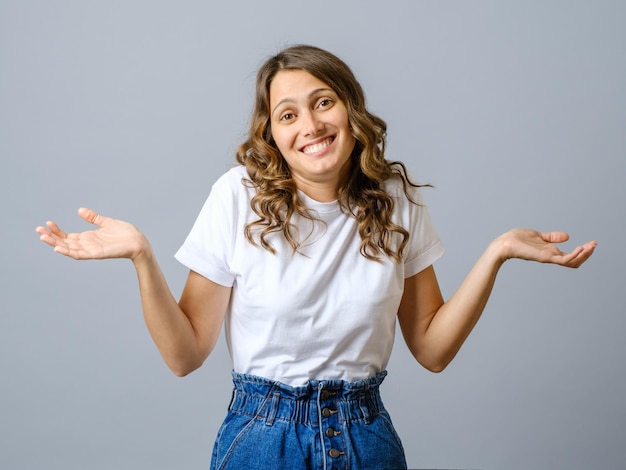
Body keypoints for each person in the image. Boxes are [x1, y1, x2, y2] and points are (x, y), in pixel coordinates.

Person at [36, 45, 596, 470]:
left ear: (350, 110)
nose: (310, 126)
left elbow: (432, 347)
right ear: (273, 135)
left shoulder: (396, 201)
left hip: (366, 435)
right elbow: (185, 356)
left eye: (323, 102)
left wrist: (495, 254)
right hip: (261, 436)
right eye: (288, 114)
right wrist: (142, 257)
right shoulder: (238, 196)